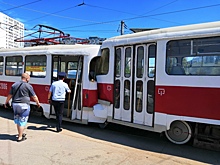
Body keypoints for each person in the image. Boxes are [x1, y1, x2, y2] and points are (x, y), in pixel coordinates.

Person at [4, 73, 41, 142]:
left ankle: (19, 133)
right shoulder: (28, 86)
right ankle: (20, 137)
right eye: (29, 78)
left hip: (15, 104)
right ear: (26, 78)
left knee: (18, 119)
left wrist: (6, 102)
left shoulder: (14, 85)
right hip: (24, 105)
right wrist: (38, 103)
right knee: (22, 121)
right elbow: (34, 96)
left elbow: (10, 95)